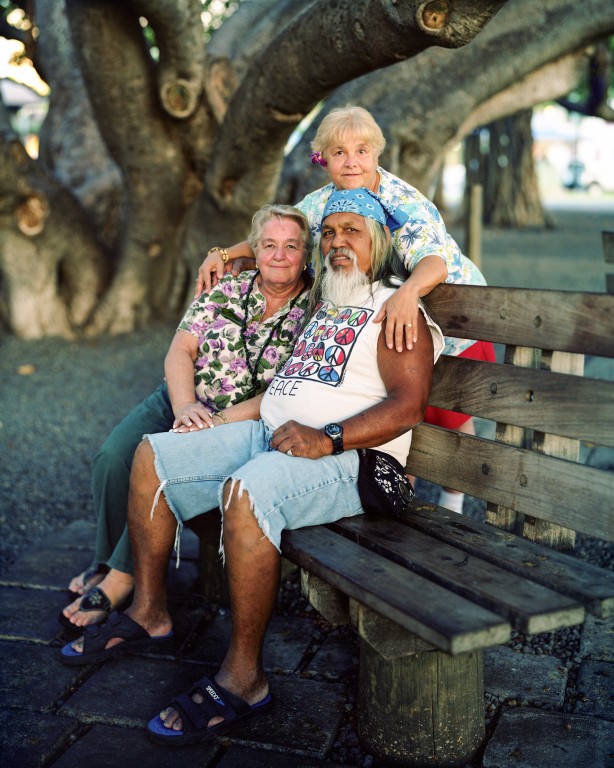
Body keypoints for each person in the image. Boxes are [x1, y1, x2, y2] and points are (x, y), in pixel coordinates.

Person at [60, 188, 445, 748]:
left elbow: (408, 405)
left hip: (355, 460)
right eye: (330, 232)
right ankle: (149, 612)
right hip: (275, 437)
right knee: (153, 453)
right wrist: (227, 253)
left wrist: (327, 437)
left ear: (380, 242)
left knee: (245, 491)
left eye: (353, 233)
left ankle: (244, 678)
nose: (337, 242)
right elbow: (268, 259)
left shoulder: (394, 306)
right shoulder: (329, 299)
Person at [196, 105, 495, 514]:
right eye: (339, 153)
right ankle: (395, 490)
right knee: (388, 399)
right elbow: (282, 233)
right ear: (323, 159)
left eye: (361, 151)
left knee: (449, 413)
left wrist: (407, 293)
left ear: (376, 155)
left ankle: (454, 499)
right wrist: (223, 253)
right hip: (391, 314)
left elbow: (435, 261)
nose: (351, 161)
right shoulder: (322, 202)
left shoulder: (401, 200)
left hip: (451, 315)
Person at [60, 204, 313, 629]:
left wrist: (213, 422)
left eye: (291, 246)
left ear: (305, 255)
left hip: (236, 420)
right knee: (113, 456)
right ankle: (104, 561)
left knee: (156, 466)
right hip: (181, 398)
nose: (279, 255)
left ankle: (123, 579)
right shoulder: (229, 286)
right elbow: (181, 350)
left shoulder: (312, 312)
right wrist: (183, 407)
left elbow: (282, 391)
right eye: (269, 245)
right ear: (255, 249)